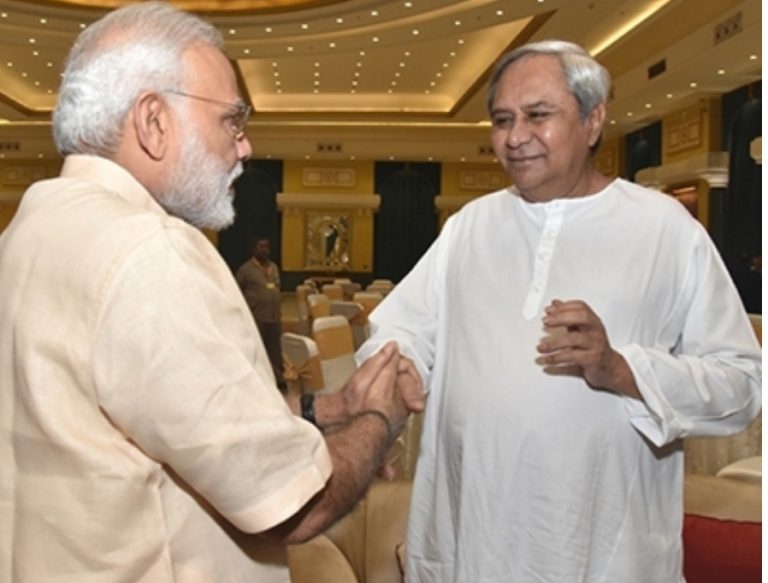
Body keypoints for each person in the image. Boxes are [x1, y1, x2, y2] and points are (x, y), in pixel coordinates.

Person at [0, 3, 423, 582]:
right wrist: (378, 418)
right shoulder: (149, 250)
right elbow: (291, 507)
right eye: (231, 120)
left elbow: (169, 415)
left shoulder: (27, 233)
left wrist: (329, 408)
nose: (245, 146)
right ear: (153, 122)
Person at [356, 39, 761, 582]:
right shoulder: (469, 227)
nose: (515, 137)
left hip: (602, 550)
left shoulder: (667, 230)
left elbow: (741, 385)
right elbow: (403, 327)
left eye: (537, 116)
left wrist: (620, 368)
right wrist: (397, 367)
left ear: (593, 121)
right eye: (502, 120)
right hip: (470, 539)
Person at [237, 236, 285, 389]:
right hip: (256, 317)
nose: (264, 250)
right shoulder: (246, 269)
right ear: (253, 250)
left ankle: (278, 379)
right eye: (260, 247)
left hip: (274, 317)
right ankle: (254, 379)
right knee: (256, 349)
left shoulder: (274, 268)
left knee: (275, 351)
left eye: (266, 247)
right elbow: (237, 291)